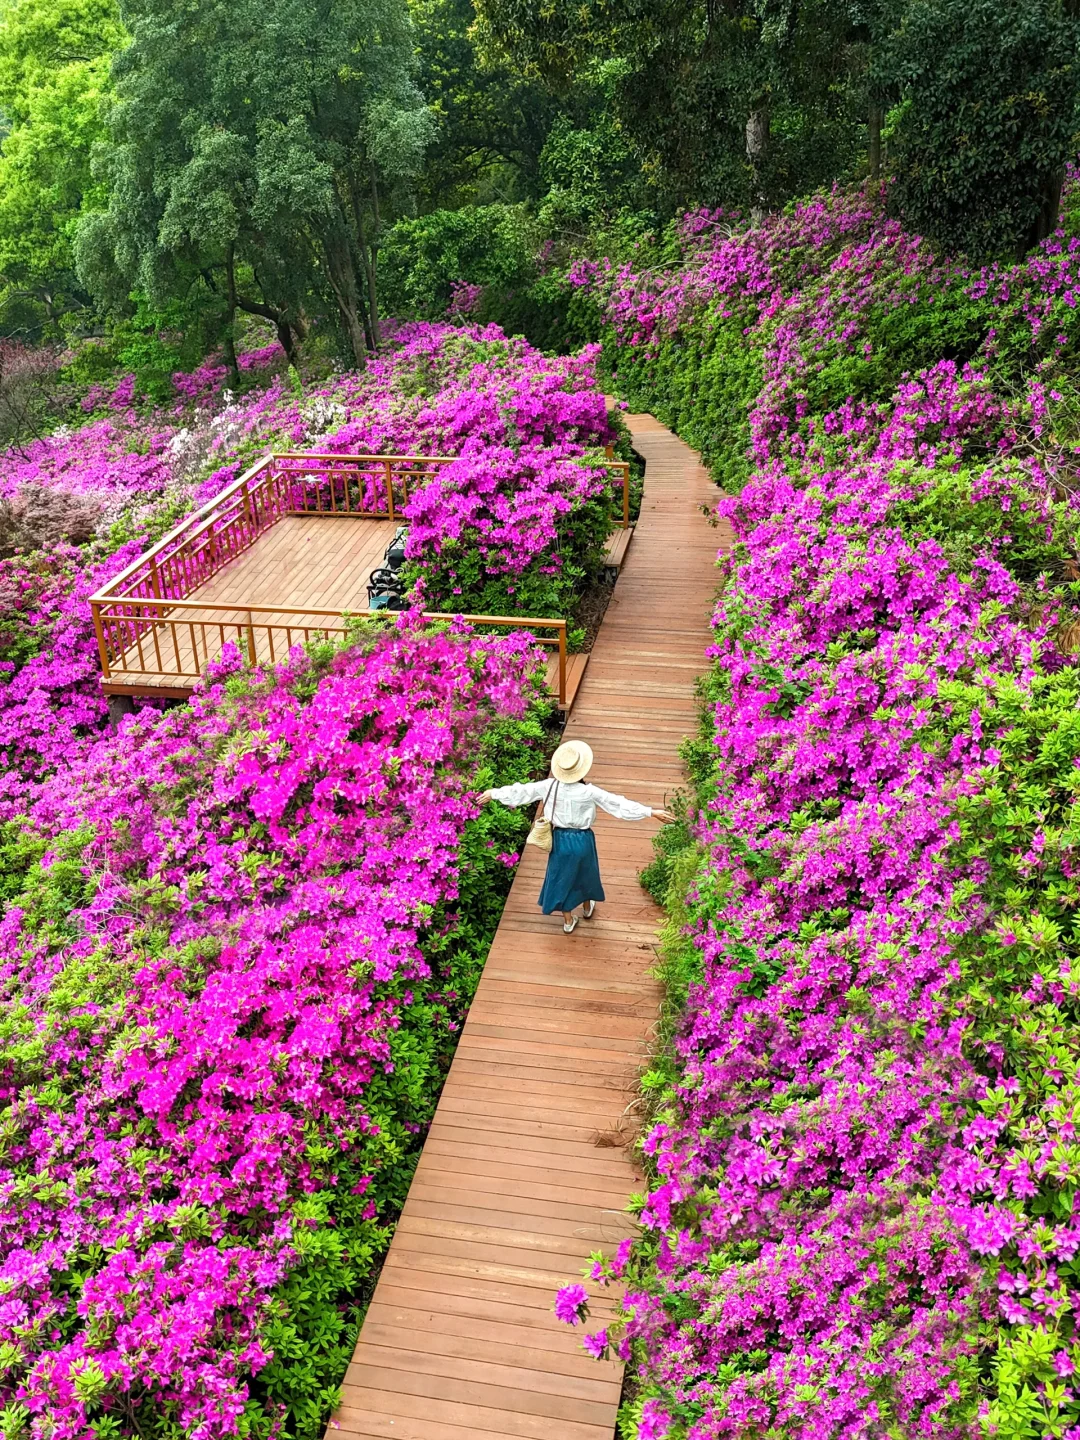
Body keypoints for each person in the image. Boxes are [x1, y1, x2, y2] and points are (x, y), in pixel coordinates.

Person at [479, 739, 674, 934]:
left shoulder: (549, 786)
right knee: (586, 874)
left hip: (560, 840)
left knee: (562, 878)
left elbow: (522, 791)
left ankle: (568, 921)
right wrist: (651, 812)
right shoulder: (589, 792)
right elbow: (617, 804)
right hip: (583, 840)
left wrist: (493, 793)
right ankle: (587, 908)